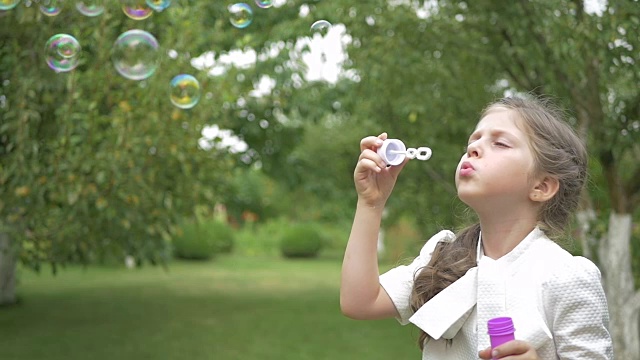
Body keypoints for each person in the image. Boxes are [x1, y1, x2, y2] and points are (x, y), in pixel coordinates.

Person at [340, 95, 613, 359]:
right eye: (474, 140)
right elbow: (360, 301)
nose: (473, 148)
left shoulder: (566, 276)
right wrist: (371, 203)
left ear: (541, 186)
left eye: (501, 144)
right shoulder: (444, 256)